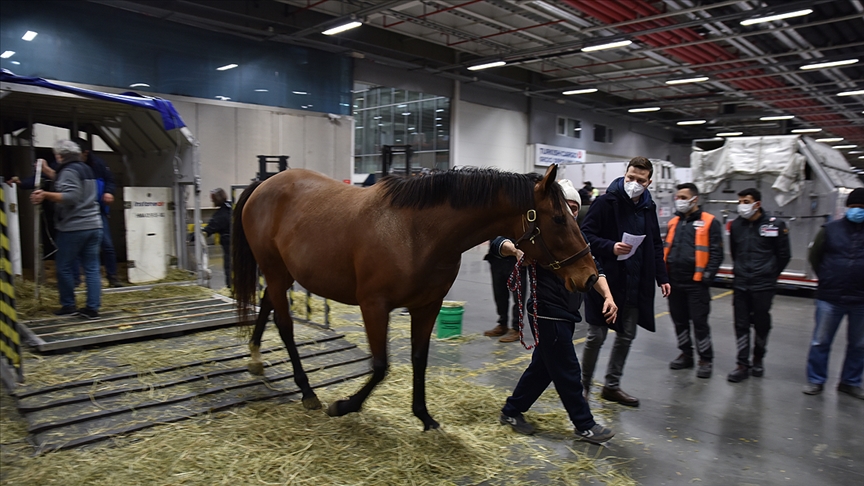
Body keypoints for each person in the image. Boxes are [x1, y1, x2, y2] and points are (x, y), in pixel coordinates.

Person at [493, 228, 619, 445]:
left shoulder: (578, 238)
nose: (571, 210)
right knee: (568, 370)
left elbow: (594, 270)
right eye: (567, 205)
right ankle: (585, 425)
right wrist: (515, 250)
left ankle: (511, 411)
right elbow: (497, 242)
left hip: (568, 314)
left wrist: (608, 296)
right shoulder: (539, 234)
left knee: (542, 370)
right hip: (546, 312)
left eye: (575, 207)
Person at [580, 157, 671, 407]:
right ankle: (583, 387)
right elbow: (585, 235)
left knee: (626, 335)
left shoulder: (647, 206)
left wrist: (661, 276)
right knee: (596, 336)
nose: (634, 183)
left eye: (641, 180)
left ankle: (611, 386)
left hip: (635, 281)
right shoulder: (605, 202)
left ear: (649, 182)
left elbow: (654, 243)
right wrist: (610, 247)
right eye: (631, 178)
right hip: (606, 281)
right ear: (625, 174)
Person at [29, 140, 102, 319]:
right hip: (93, 224)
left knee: (64, 267)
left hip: (74, 227)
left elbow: (71, 196)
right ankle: (92, 308)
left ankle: (68, 305)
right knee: (92, 267)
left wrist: (45, 195)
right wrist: (47, 170)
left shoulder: (69, 171)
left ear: (60, 156)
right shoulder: (84, 168)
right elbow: (67, 182)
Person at [803, 188, 864, 399]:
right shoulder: (829, 229)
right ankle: (816, 380)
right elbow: (815, 256)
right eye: (855, 207)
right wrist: (827, 277)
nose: (858, 211)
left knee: (859, 344)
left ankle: (850, 382)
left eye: (862, 208)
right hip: (830, 296)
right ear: (847, 207)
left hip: (860, 299)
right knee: (821, 340)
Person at [727, 188, 791, 382]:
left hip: (764, 285)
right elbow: (735, 251)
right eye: (740, 201)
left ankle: (758, 358)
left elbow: (784, 255)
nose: (742, 205)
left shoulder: (775, 225)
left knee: (762, 324)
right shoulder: (736, 225)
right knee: (741, 324)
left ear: (757, 204)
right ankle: (742, 363)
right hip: (741, 284)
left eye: (746, 201)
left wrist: (770, 273)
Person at [665, 183, 723, 379]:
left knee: (699, 322)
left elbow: (716, 253)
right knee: (679, 320)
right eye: (677, 197)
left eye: (683, 197)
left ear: (694, 199)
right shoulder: (674, 222)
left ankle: (705, 359)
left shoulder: (709, 221)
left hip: (696, 283)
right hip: (675, 281)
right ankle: (686, 354)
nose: (679, 200)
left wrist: (707, 278)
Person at [72, 138, 121, 287]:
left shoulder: (98, 164)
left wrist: (108, 192)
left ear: (85, 153)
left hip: (97, 210)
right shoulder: (69, 167)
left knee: (107, 245)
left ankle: (112, 277)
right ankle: (78, 280)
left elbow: (110, 180)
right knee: (78, 248)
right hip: (77, 212)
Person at [482, 243, 524, 343]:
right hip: (497, 258)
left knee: (518, 296)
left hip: (515, 259)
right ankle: (502, 324)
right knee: (499, 293)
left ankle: (517, 329)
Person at [203, 188, 232, 289]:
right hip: (243, 244)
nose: (212, 202)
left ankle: (231, 288)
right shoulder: (232, 207)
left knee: (230, 268)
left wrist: (193, 236)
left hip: (229, 245)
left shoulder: (221, 214)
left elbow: (209, 228)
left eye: (213, 199)